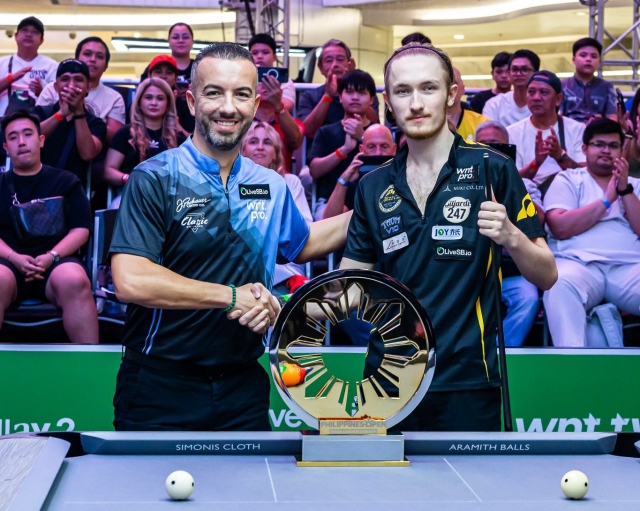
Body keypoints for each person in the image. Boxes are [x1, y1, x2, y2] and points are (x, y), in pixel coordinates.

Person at [109, 42, 352, 432]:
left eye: (241, 94)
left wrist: (372, 207)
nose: (228, 107)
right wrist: (232, 296)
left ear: (255, 106)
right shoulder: (155, 177)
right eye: (214, 93)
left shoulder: (269, 184)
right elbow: (131, 279)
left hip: (243, 387)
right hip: (160, 386)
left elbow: (302, 243)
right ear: (192, 102)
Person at [340, 42, 557, 431]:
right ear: (388, 102)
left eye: (429, 88)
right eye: (403, 91)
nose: (416, 103)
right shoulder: (372, 186)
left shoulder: (493, 169)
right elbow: (350, 286)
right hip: (387, 380)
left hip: (469, 381)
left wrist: (511, 236)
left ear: (451, 94)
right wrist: (287, 305)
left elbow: (547, 275)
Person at [0, 111, 97, 344]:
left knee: (74, 280)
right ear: (6, 148)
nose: (21, 142)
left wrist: (51, 256)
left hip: (56, 260)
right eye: (13, 137)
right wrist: (14, 258)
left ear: (41, 140)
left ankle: (89, 361)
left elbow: (81, 230)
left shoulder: (66, 181)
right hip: (8, 261)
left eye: (27, 134)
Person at [543, 118, 640, 347]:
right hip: (578, 265)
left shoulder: (635, 184)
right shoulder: (567, 179)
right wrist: (606, 201)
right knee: (559, 284)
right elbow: (560, 227)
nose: (606, 150)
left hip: (629, 267)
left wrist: (624, 190)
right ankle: (572, 363)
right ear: (585, 149)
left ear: (622, 150)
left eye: (613, 145)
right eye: (599, 144)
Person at [475, 121, 543, 347]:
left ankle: (501, 349)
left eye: (496, 144)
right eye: (483, 144)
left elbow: (539, 220)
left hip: (512, 272)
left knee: (528, 298)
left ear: (509, 149)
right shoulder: (460, 183)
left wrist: (508, 185)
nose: (489, 150)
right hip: (471, 271)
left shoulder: (525, 183)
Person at [241, 121, 312, 294]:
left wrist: (278, 191)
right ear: (242, 150)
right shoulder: (231, 183)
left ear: (276, 153)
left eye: (267, 142)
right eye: (253, 142)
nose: (260, 147)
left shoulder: (290, 182)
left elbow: (304, 229)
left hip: (284, 269)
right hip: (242, 265)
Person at [104, 78, 184, 207]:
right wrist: (128, 178)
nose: (154, 103)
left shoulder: (178, 137)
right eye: (148, 97)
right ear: (139, 102)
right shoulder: (124, 133)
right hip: (132, 192)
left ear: (168, 104)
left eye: (160, 98)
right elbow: (109, 171)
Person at [308, 70, 376, 220]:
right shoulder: (325, 132)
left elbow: (388, 167)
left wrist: (362, 137)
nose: (355, 97)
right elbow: (314, 171)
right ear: (340, 97)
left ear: (371, 99)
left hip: (373, 200)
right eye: (349, 92)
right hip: (329, 202)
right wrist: (343, 150)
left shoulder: (378, 132)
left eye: (361, 92)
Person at [31, 59, 107, 186]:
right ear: (56, 87)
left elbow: (87, 154)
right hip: (38, 187)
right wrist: (61, 114)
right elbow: (29, 140)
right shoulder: (39, 113)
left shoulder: (96, 123)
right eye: (65, 79)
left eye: (78, 79)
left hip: (72, 189)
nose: (71, 85)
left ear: (88, 87)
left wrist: (78, 112)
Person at [36, 37, 125, 142]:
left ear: (106, 66)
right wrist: (62, 113)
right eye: (87, 54)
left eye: (99, 56)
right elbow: (33, 132)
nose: (93, 59)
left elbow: (115, 139)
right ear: (76, 59)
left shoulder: (115, 98)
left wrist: (84, 115)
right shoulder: (52, 89)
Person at [508, 71, 586, 188]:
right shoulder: (512, 133)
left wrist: (560, 156)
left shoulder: (577, 129)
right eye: (531, 92)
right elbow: (511, 182)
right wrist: (536, 163)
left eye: (543, 92)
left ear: (558, 99)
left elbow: (586, 177)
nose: (536, 98)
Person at [297, 39, 379, 139]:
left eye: (340, 60)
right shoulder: (309, 96)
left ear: (349, 63)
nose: (335, 64)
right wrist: (328, 95)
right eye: (329, 60)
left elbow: (375, 126)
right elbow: (309, 132)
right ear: (320, 67)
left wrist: (354, 79)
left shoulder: (365, 93)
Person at [249, 33, 304, 172]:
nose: (259, 56)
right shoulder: (239, 121)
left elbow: (296, 141)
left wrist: (278, 104)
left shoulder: (292, 124)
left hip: (281, 179)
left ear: (274, 56)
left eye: (265, 52)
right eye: (259, 82)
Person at [323, 123, 396, 219]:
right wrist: (343, 180)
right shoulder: (353, 181)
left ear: (394, 149)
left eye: (384, 146)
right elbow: (329, 220)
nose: (378, 153)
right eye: (371, 147)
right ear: (362, 150)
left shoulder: (405, 177)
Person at [0, 17, 57, 117]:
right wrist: (10, 78)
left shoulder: (52, 66)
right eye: (24, 30)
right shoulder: (2, 63)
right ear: (16, 36)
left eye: (35, 32)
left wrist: (42, 92)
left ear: (41, 40)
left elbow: (58, 100)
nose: (29, 34)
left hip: (40, 122)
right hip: (3, 121)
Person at [560, 38, 617, 124]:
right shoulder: (563, 85)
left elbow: (612, 117)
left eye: (594, 56)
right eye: (583, 55)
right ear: (573, 60)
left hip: (597, 130)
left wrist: (602, 123)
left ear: (599, 62)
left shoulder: (606, 87)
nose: (588, 59)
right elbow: (557, 116)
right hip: (568, 129)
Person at [483, 49, 540, 128]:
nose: (519, 74)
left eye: (525, 70)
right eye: (515, 69)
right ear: (509, 73)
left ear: (536, 74)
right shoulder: (494, 105)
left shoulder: (542, 104)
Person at [141, 23, 195, 99]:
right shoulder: (154, 66)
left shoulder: (201, 67)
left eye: (185, 37)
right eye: (175, 37)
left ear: (193, 41)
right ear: (168, 41)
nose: (181, 40)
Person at [146, 54, 194, 135]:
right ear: (149, 75)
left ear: (176, 78)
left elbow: (192, 141)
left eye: (169, 72)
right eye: (158, 72)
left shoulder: (187, 106)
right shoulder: (139, 104)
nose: (163, 76)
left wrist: (174, 122)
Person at [448, 67, 489, 141]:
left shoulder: (483, 124)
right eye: (446, 83)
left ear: (463, 89)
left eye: (454, 83)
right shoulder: (427, 124)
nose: (450, 88)